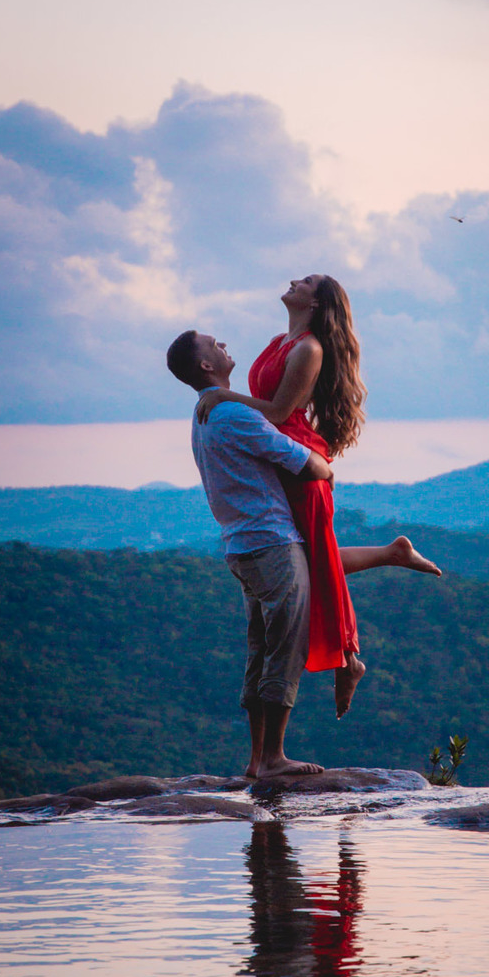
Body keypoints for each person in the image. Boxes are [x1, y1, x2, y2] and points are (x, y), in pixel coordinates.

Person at [194, 275, 440, 718]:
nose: (293, 280)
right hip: (278, 456)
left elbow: (278, 413)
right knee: (308, 560)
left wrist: (220, 395)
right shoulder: (277, 341)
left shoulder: (309, 348)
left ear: (316, 301)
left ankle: (349, 655)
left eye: (305, 281)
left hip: (299, 462)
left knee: (310, 561)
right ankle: (377, 588)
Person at [166, 327, 328, 780]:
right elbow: (302, 461)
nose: (222, 342)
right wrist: (325, 468)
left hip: (241, 545)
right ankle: (275, 758)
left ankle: (257, 760)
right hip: (271, 541)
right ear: (206, 365)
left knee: (259, 650)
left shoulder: (205, 415)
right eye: (213, 343)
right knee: (284, 647)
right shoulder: (233, 414)